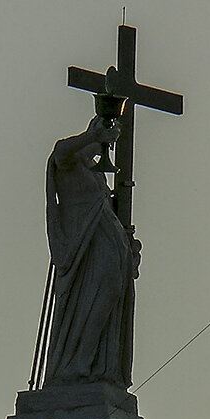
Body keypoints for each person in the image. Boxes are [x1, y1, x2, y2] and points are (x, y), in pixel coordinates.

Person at [43, 118, 138, 388]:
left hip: (109, 245)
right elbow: (60, 149)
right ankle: (77, 365)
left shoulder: (96, 173)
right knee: (97, 298)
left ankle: (99, 365)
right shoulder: (68, 164)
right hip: (87, 249)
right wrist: (90, 135)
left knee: (111, 298)